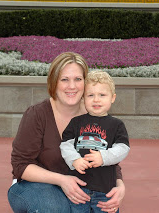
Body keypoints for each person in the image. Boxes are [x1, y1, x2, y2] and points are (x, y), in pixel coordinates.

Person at [8, 52, 126, 213]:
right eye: (65, 79)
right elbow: (20, 165)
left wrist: (119, 186)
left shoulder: (95, 115)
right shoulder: (37, 114)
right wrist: (62, 180)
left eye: (78, 79)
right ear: (54, 82)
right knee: (56, 209)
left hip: (82, 188)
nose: (72, 86)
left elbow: (107, 157)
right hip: (35, 185)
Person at [60, 71, 130, 213]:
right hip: (79, 188)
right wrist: (74, 160)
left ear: (112, 98)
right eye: (90, 95)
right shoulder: (76, 122)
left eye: (102, 95)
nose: (96, 100)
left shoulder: (116, 125)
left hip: (105, 189)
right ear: (83, 99)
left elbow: (123, 148)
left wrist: (103, 157)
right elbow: (65, 144)